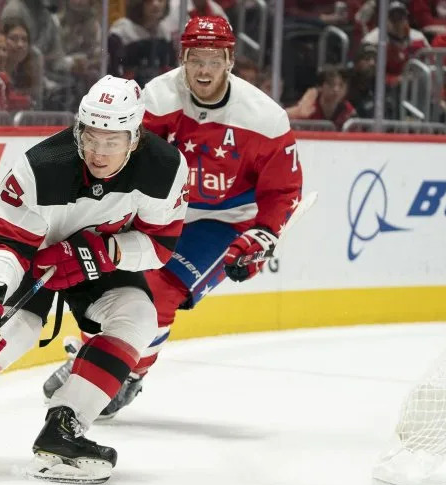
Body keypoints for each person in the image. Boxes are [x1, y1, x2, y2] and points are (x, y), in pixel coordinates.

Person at [0, 75, 190, 484]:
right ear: (79, 129)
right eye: (92, 136)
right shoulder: (41, 166)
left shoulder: (165, 168)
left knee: (138, 317)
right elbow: (0, 241)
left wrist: (102, 253)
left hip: (100, 260)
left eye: (112, 141)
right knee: (11, 333)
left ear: (134, 138)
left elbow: (160, 244)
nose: (99, 152)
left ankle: (64, 427)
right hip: (34, 257)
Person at [43, 16, 303, 419]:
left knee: (161, 292)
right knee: (105, 278)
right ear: (182, 56)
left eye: (214, 60)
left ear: (230, 61)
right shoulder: (157, 98)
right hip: (164, 209)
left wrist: (263, 235)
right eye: (195, 58)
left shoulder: (264, 118)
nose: (203, 70)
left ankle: (126, 375)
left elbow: (283, 190)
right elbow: (124, 158)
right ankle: (93, 358)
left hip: (224, 218)